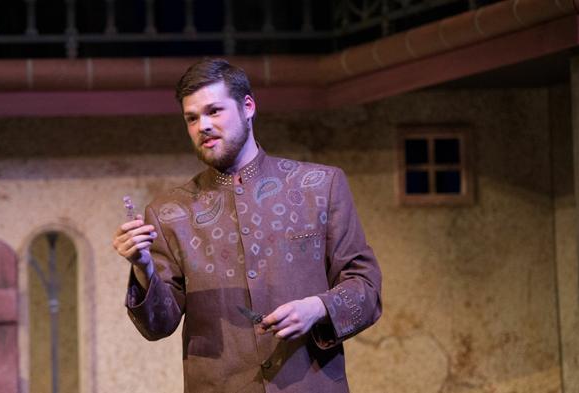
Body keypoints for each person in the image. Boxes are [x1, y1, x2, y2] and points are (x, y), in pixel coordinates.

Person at [112, 58, 382, 392]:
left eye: (214, 111)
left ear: (248, 107)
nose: (203, 126)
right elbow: (157, 325)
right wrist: (143, 267)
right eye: (191, 118)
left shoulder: (319, 186)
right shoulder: (169, 212)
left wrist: (318, 307)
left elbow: (366, 289)